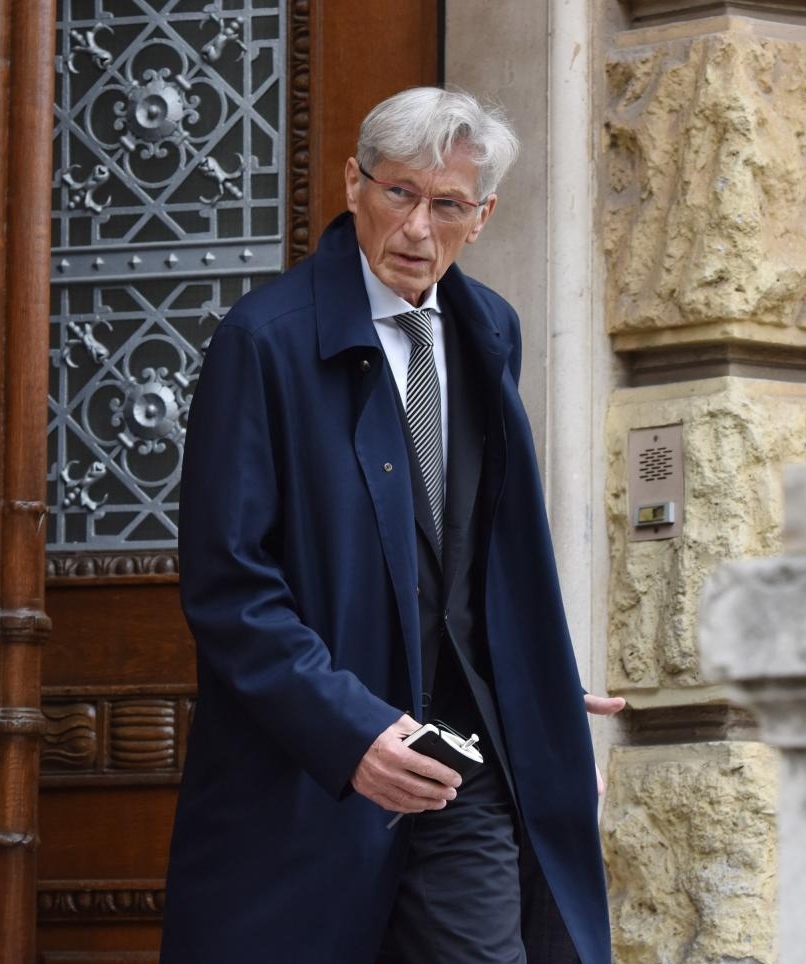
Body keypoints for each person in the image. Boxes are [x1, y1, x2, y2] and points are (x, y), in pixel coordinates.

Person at [160, 87, 623, 964]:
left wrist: (536, 700)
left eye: (446, 205)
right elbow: (229, 587)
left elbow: (484, 556)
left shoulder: (490, 330)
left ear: (482, 216)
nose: (416, 228)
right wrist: (350, 732)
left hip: (458, 755)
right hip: (309, 771)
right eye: (399, 193)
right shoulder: (264, 341)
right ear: (354, 183)